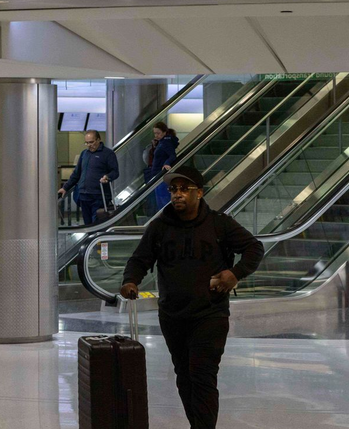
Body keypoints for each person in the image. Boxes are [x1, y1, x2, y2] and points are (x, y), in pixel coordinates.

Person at [120, 166, 264, 429]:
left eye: (184, 189)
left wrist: (235, 273)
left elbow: (254, 247)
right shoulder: (159, 227)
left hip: (210, 313)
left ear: (199, 193)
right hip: (173, 315)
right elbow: (140, 259)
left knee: (202, 375)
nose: (177, 195)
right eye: (173, 189)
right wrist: (130, 280)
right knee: (184, 376)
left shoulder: (219, 224)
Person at [57, 129, 119, 225]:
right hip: (84, 195)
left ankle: (98, 239)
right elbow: (76, 173)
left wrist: (107, 177)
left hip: (99, 196)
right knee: (87, 224)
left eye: (91, 142)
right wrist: (65, 187)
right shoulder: (84, 154)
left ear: (98, 140)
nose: (89, 145)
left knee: (96, 224)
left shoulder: (108, 154)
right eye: (86, 143)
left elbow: (115, 172)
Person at [144, 121, 179, 214]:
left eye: (158, 133)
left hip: (160, 175)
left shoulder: (166, 142)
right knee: (159, 199)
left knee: (162, 199)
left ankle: (166, 218)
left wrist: (167, 163)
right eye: (155, 133)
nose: (156, 135)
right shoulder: (161, 142)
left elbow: (172, 155)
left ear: (164, 132)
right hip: (156, 174)